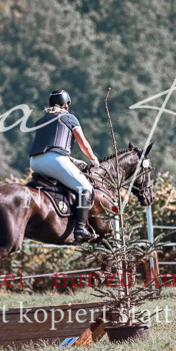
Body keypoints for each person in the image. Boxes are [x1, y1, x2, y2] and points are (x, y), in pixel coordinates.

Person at [29, 89, 100, 242]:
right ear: (66, 104)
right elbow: (84, 144)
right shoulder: (69, 118)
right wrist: (94, 159)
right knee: (85, 189)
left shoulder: (41, 121)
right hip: (54, 161)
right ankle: (80, 229)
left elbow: (50, 146)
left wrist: (72, 160)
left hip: (35, 162)